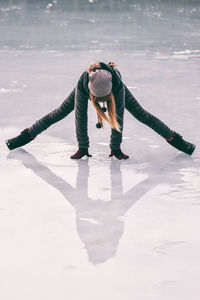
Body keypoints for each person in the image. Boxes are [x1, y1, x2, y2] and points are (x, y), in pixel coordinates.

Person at [6, 61, 196, 159]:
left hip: (116, 90)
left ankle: (179, 142)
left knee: (142, 115)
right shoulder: (83, 85)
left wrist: (115, 147)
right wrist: (83, 147)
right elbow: (80, 118)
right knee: (58, 113)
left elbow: (118, 118)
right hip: (86, 89)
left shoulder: (117, 86)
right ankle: (23, 138)